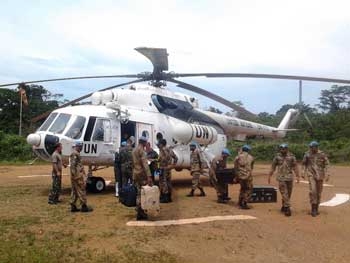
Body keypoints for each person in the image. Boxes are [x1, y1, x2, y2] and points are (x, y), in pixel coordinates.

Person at [268, 143, 300, 216]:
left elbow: (295, 166)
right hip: (281, 178)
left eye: (284, 148)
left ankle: (284, 205)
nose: (283, 150)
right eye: (281, 149)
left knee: (288, 194)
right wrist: (270, 175)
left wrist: (298, 176)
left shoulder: (292, 156)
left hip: (289, 178)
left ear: (287, 149)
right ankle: (287, 208)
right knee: (284, 193)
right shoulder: (277, 157)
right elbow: (273, 167)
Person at [302, 141, 330, 217]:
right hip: (311, 174)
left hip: (320, 175)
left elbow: (327, 164)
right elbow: (304, 164)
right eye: (310, 147)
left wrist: (328, 174)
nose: (311, 149)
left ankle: (317, 208)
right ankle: (313, 208)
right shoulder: (307, 154)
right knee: (313, 190)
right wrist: (303, 172)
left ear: (317, 147)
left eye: (313, 147)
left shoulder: (322, 154)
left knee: (319, 192)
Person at [132, 136, 153, 220]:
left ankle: (139, 211)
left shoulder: (134, 150)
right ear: (144, 142)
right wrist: (149, 176)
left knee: (138, 193)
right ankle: (142, 212)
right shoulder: (142, 151)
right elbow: (145, 164)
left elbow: (132, 163)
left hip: (135, 173)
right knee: (143, 193)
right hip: (142, 174)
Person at [69, 141, 93, 213]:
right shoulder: (75, 154)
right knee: (81, 190)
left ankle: (73, 206)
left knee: (75, 191)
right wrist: (75, 176)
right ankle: (84, 206)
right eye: (80, 146)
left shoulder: (76, 154)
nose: (81, 148)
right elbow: (72, 166)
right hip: (77, 176)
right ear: (77, 146)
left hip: (76, 176)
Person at [157, 139, 178, 203]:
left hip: (163, 168)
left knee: (163, 183)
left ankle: (165, 198)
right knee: (168, 182)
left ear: (161, 144)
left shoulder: (163, 150)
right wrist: (173, 165)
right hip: (168, 169)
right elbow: (176, 158)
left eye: (159, 144)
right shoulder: (169, 149)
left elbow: (162, 159)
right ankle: (169, 197)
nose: (158, 145)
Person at [234, 145, 255, 209]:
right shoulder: (251, 157)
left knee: (242, 188)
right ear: (248, 150)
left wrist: (236, 176)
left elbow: (235, 167)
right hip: (248, 176)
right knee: (249, 189)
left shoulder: (237, 157)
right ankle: (244, 203)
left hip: (240, 176)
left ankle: (240, 201)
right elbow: (251, 167)